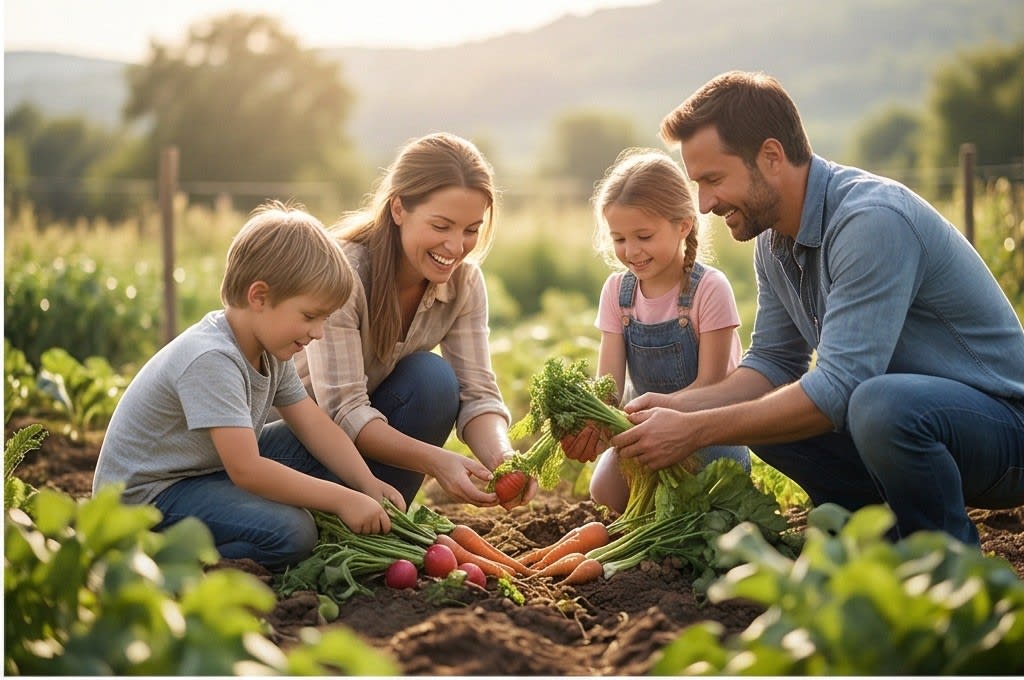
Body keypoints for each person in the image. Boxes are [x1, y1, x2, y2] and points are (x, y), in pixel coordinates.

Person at [592, 70, 1024, 544]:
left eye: (714, 179)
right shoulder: (773, 239)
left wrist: (694, 430)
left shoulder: (870, 222)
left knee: (880, 405)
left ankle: (945, 567)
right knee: (763, 408)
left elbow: (840, 388)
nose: (706, 203)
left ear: (771, 157)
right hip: (921, 429)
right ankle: (877, 542)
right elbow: (773, 364)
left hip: (1003, 432)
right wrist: (670, 408)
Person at [92, 201, 406, 570]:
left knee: (317, 444)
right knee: (294, 533)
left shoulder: (270, 349)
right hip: (147, 500)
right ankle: (161, 559)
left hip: (203, 471)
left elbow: (314, 426)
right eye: (309, 316)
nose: (318, 333)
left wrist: (366, 483)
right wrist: (341, 500)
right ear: (259, 296)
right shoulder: (212, 358)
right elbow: (247, 470)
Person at [294, 132, 536, 509]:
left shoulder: (464, 284)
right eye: (441, 227)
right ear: (398, 209)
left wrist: (504, 459)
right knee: (431, 380)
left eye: (471, 230)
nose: (456, 247)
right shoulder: (342, 273)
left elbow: (478, 395)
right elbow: (342, 411)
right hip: (298, 448)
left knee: (431, 380)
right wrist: (436, 462)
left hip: (365, 450)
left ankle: (384, 517)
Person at [566, 148, 750, 513]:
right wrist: (590, 418)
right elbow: (610, 387)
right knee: (604, 490)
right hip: (643, 433)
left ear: (683, 224)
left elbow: (713, 388)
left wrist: (664, 416)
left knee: (699, 505)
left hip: (706, 432)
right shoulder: (618, 293)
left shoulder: (708, 288)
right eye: (619, 239)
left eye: (644, 236)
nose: (631, 251)